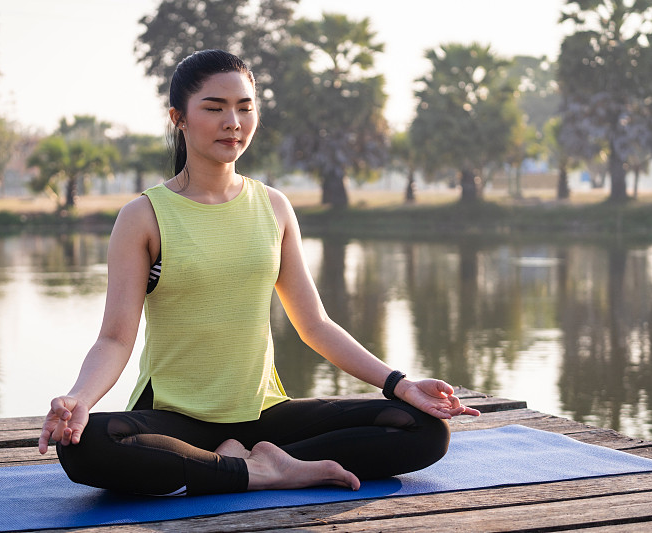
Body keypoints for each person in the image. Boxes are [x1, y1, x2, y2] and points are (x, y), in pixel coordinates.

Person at [38, 49, 480, 497]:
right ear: (180, 118)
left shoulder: (273, 207)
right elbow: (115, 339)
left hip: (264, 415)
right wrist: (80, 399)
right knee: (86, 444)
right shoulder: (144, 216)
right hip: (177, 418)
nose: (233, 121)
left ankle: (246, 464)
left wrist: (400, 385)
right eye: (214, 108)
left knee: (421, 429)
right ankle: (265, 473)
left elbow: (315, 325)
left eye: (244, 107)